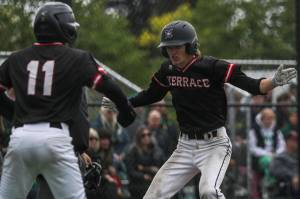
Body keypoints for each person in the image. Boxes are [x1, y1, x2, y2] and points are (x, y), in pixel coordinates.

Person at [128, 20, 297, 199]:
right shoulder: (168, 70)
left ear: (190, 46)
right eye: (168, 47)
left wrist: (273, 82)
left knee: (209, 192)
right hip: (185, 146)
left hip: (214, 145)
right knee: (152, 196)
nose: (172, 52)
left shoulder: (212, 66)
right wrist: (124, 102)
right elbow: (152, 95)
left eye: (177, 46)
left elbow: (253, 86)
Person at [0, 2, 136, 199]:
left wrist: (13, 112)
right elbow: (108, 85)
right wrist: (126, 110)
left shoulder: (16, 58)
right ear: (64, 28)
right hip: (56, 138)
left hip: (21, 138)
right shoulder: (77, 58)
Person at [269, 130, 299, 199]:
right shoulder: (280, 157)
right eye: (292, 140)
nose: (294, 143)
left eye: (296, 140)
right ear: (286, 141)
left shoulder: (297, 157)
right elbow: (274, 170)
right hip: (285, 189)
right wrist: (293, 176)